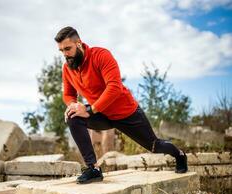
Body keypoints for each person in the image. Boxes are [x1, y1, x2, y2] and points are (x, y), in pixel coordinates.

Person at [54, 26, 188, 184]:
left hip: (126, 113)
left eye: (67, 49)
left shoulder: (101, 55)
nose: (65, 54)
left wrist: (89, 109)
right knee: (73, 116)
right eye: (61, 50)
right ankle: (93, 169)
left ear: (79, 44)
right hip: (102, 115)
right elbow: (69, 94)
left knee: (154, 146)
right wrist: (72, 105)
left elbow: (114, 87)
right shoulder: (67, 68)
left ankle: (179, 154)